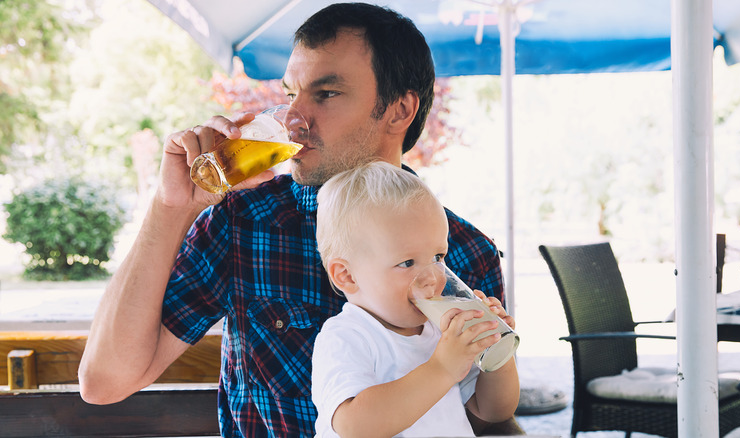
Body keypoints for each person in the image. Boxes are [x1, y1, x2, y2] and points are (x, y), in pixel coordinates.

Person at [79, 2, 523, 436]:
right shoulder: (243, 222)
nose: (292, 118)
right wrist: (172, 208)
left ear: (399, 111)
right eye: (291, 94)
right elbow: (104, 383)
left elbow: (484, 418)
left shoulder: (468, 251)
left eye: (325, 94)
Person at [312, 162, 519, 437]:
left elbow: (493, 411)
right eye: (407, 262)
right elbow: (355, 426)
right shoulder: (347, 336)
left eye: (438, 257)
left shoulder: (441, 330)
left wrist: (495, 352)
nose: (432, 277)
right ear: (348, 276)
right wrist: (442, 368)